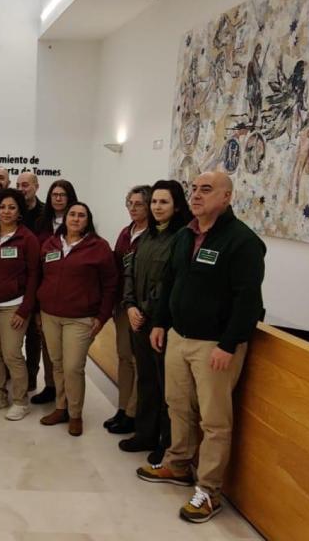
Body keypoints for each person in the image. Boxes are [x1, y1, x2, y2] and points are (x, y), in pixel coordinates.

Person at [136, 171, 266, 524]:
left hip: (215, 345)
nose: (196, 195)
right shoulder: (185, 235)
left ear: (226, 197)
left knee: (214, 420)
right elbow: (170, 282)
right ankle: (178, 464)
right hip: (178, 337)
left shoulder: (243, 241)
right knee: (177, 405)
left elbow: (248, 301)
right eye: (193, 189)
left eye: (205, 190)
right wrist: (160, 322)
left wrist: (229, 343)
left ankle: (209, 491)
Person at [120, 180, 192, 464]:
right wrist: (130, 306)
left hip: (161, 324)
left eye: (164, 202)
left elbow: (169, 283)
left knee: (166, 388)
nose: (157, 207)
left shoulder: (182, 238)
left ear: (177, 206)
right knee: (146, 380)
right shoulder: (147, 236)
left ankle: (166, 441)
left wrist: (146, 311)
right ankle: (145, 433)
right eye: (154, 202)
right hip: (138, 320)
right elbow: (130, 272)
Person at [37, 202, 117, 436]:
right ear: (65, 218)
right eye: (72, 214)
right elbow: (41, 276)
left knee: (73, 367)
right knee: (57, 364)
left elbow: (111, 284)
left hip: (80, 318)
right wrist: (38, 310)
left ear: (88, 220)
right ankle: (61, 408)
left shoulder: (99, 247)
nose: (75, 218)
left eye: (81, 215)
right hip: (50, 315)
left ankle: (75, 414)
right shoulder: (51, 243)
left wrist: (102, 316)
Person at [0, 188, 40, 421]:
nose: (6, 211)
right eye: (2, 207)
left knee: (12, 353)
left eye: (12, 207)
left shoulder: (28, 238)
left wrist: (25, 310)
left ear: (19, 211)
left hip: (14, 305)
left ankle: (21, 401)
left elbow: (34, 276)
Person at [104, 185, 152, 435]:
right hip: (123, 304)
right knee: (124, 357)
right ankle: (122, 408)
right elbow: (116, 267)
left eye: (139, 204)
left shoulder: (154, 235)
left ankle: (134, 413)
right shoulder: (126, 232)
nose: (133, 208)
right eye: (130, 204)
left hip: (142, 309)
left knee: (137, 360)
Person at [30, 179, 78, 404]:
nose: (58, 198)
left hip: (69, 293)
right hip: (45, 287)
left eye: (63, 195)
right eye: (54, 195)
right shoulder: (41, 222)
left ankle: (69, 394)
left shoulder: (77, 220)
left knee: (69, 354)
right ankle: (51, 386)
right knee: (48, 346)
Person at [16, 172, 51, 398]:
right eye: (18, 185)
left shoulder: (45, 213)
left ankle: (31, 375)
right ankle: (12, 372)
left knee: (34, 335)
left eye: (26, 185)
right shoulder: (12, 211)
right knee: (13, 334)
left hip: (39, 278)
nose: (22, 189)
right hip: (15, 280)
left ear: (36, 187)